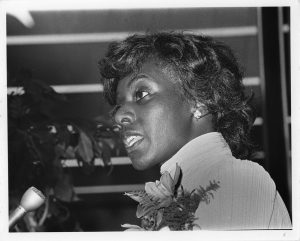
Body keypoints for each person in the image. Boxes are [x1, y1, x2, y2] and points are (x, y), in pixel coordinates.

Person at [98, 32, 291, 230]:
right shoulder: (184, 193)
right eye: (118, 106)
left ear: (199, 102)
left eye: (142, 94)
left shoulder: (233, 180)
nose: (119, 116)